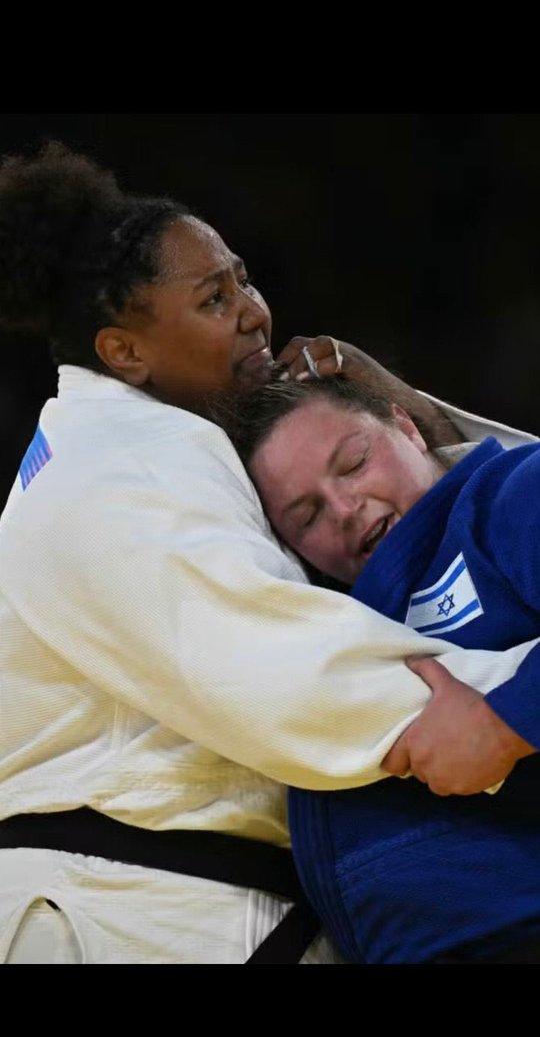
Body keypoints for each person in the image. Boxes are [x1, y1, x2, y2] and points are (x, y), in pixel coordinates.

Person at [0, 142, 536, 965]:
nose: (254, 310)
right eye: (213, 297)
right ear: (125, 352)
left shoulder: (148, 451)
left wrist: (396, 407)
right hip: (124, 908)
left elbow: (487, 505)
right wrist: (502, 708)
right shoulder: (121, 465)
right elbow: (266, 663)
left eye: (243, 278)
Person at [228, 373, 540, 962]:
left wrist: (505, 725)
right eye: (307, 516)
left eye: (353, 464)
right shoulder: (322, 623)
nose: (345, 509)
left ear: (406, 427)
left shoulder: (512, 494)